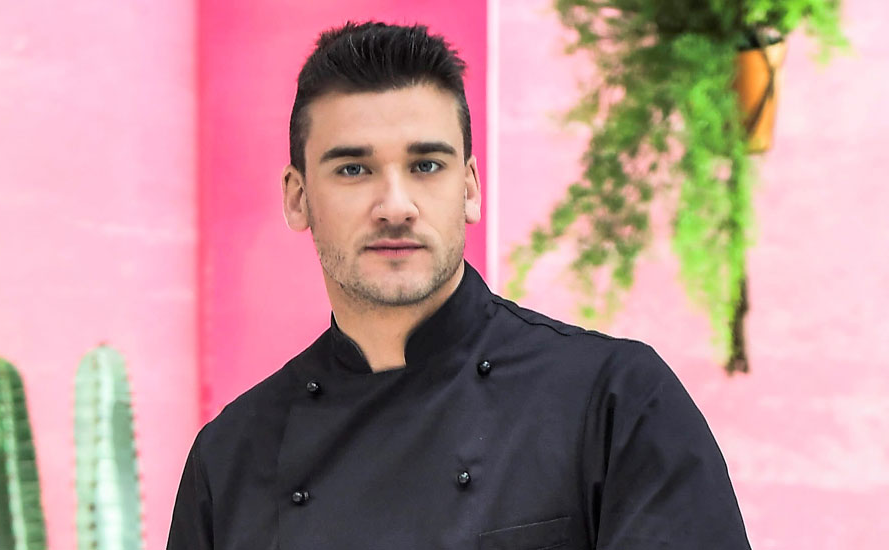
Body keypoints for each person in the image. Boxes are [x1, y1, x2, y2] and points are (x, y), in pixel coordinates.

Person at [167, 21, 751, 550]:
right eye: (353, 169)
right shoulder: (229, 459)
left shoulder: (616, 402)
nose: (395, 206)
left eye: (426, 166)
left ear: (469, 188)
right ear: (298, 198)